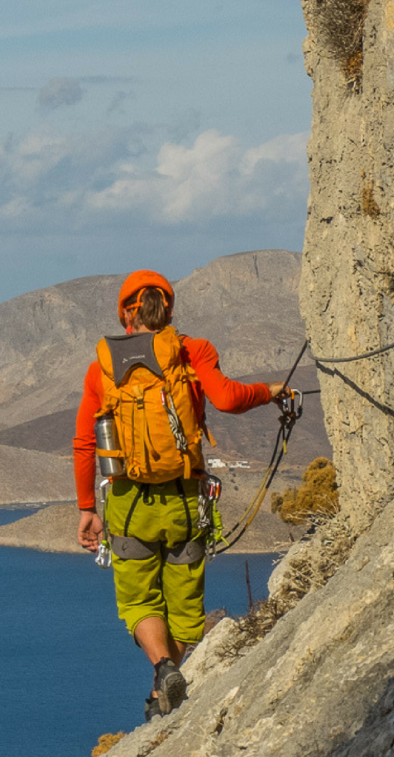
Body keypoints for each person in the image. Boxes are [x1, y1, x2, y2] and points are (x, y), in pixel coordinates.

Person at [71, 270, 285, 722]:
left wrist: (87, 508)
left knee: (138, 603)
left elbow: (84, 442)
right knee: (186, 612)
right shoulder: (192, 350)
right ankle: (163, 690)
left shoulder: (102, 367)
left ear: (124, 314)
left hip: (128, 504)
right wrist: (269, 393)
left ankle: (162, 668)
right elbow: (226, 399)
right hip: (187, 499)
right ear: (168, 308)